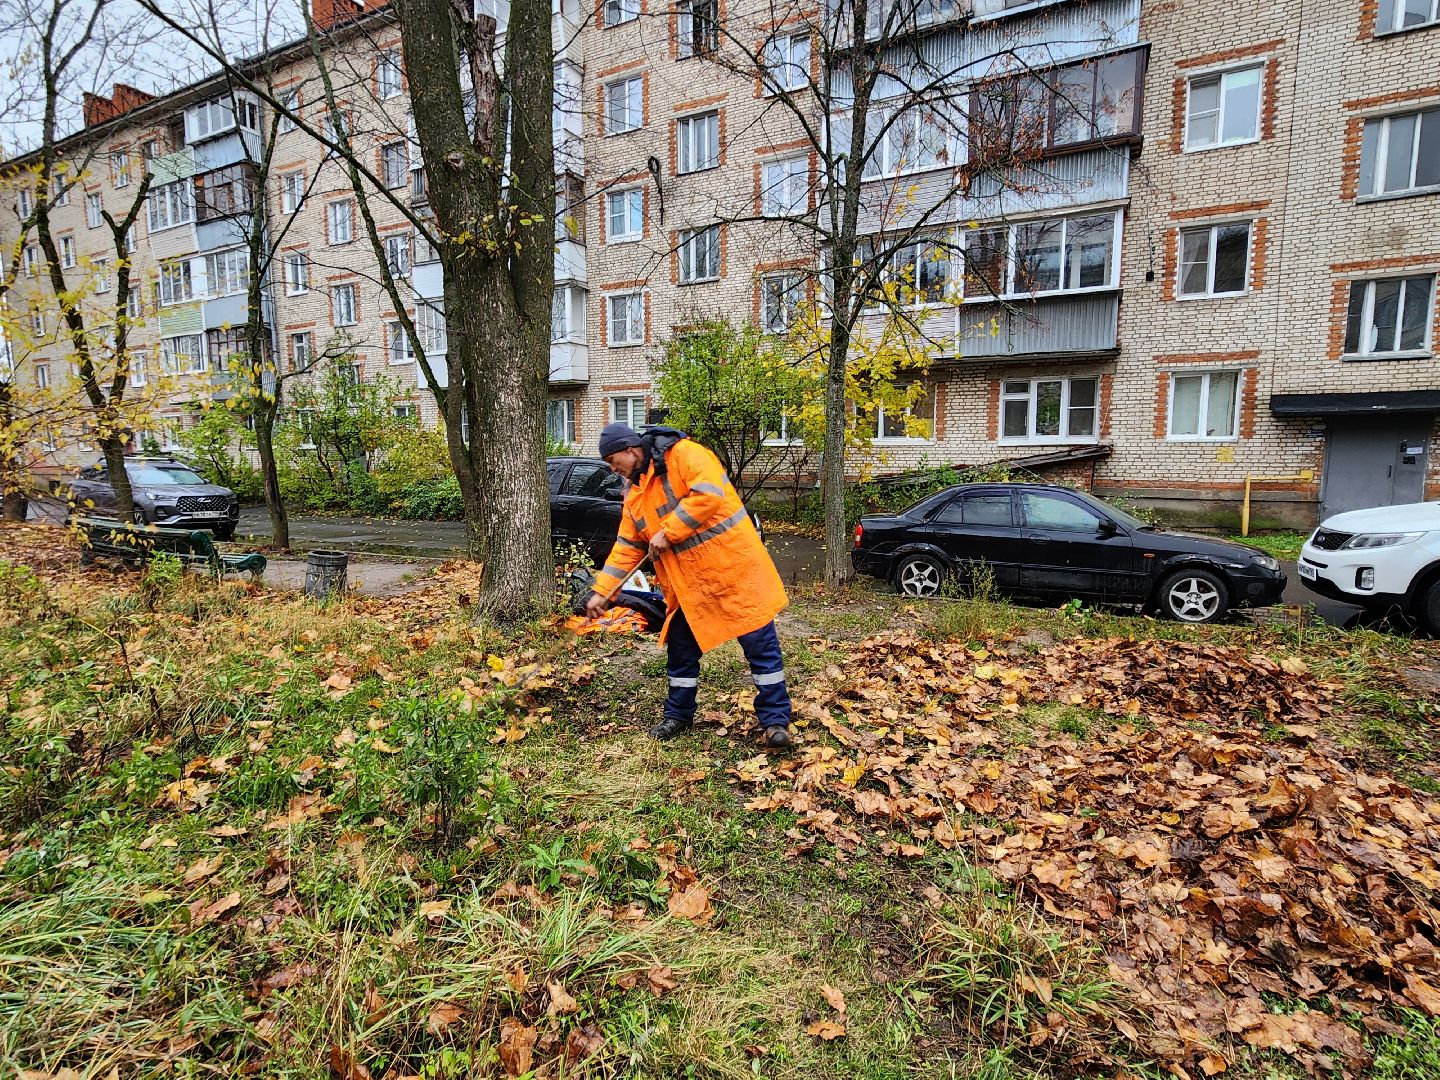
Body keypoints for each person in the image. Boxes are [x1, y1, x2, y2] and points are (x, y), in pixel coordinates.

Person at [584, 422, 793, 747]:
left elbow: (709, 492)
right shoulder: (635, 492)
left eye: (614, 463)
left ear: (629, 449)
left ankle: (776, 721)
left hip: (733, 573)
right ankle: (678, 715)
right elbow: (627, 546)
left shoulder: (684, 454)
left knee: (761, 649)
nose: (615, 471)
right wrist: (602, 592)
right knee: (681, 652)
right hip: (688, 587)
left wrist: (669, 531)